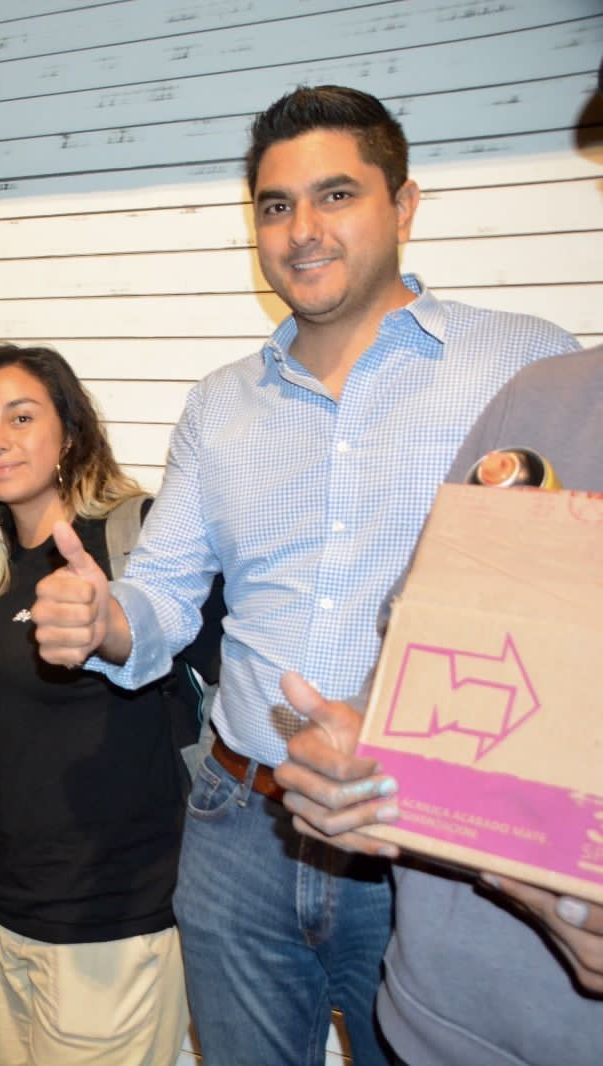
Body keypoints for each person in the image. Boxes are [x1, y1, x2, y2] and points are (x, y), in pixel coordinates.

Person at [26, 85, 579, 1064]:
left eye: (335, 195)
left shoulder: (525, 365)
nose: (301, 230)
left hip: (424, 843)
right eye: (275, 206)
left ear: (403, 205)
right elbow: (161, 594)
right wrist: (105, 617)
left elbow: (571, 628)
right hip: (238, 821)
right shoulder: (220, 403)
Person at [273, 343, 603, 1064]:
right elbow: (429, 639)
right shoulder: (542, 396)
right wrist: (365, 744)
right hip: (436, 1019)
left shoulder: (517, 345)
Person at [0, 344, 196, 1065]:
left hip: (109, 921)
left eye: (20, 417)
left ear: (70, 432)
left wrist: (109, 624)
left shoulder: (140, 545)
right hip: (8, 912)